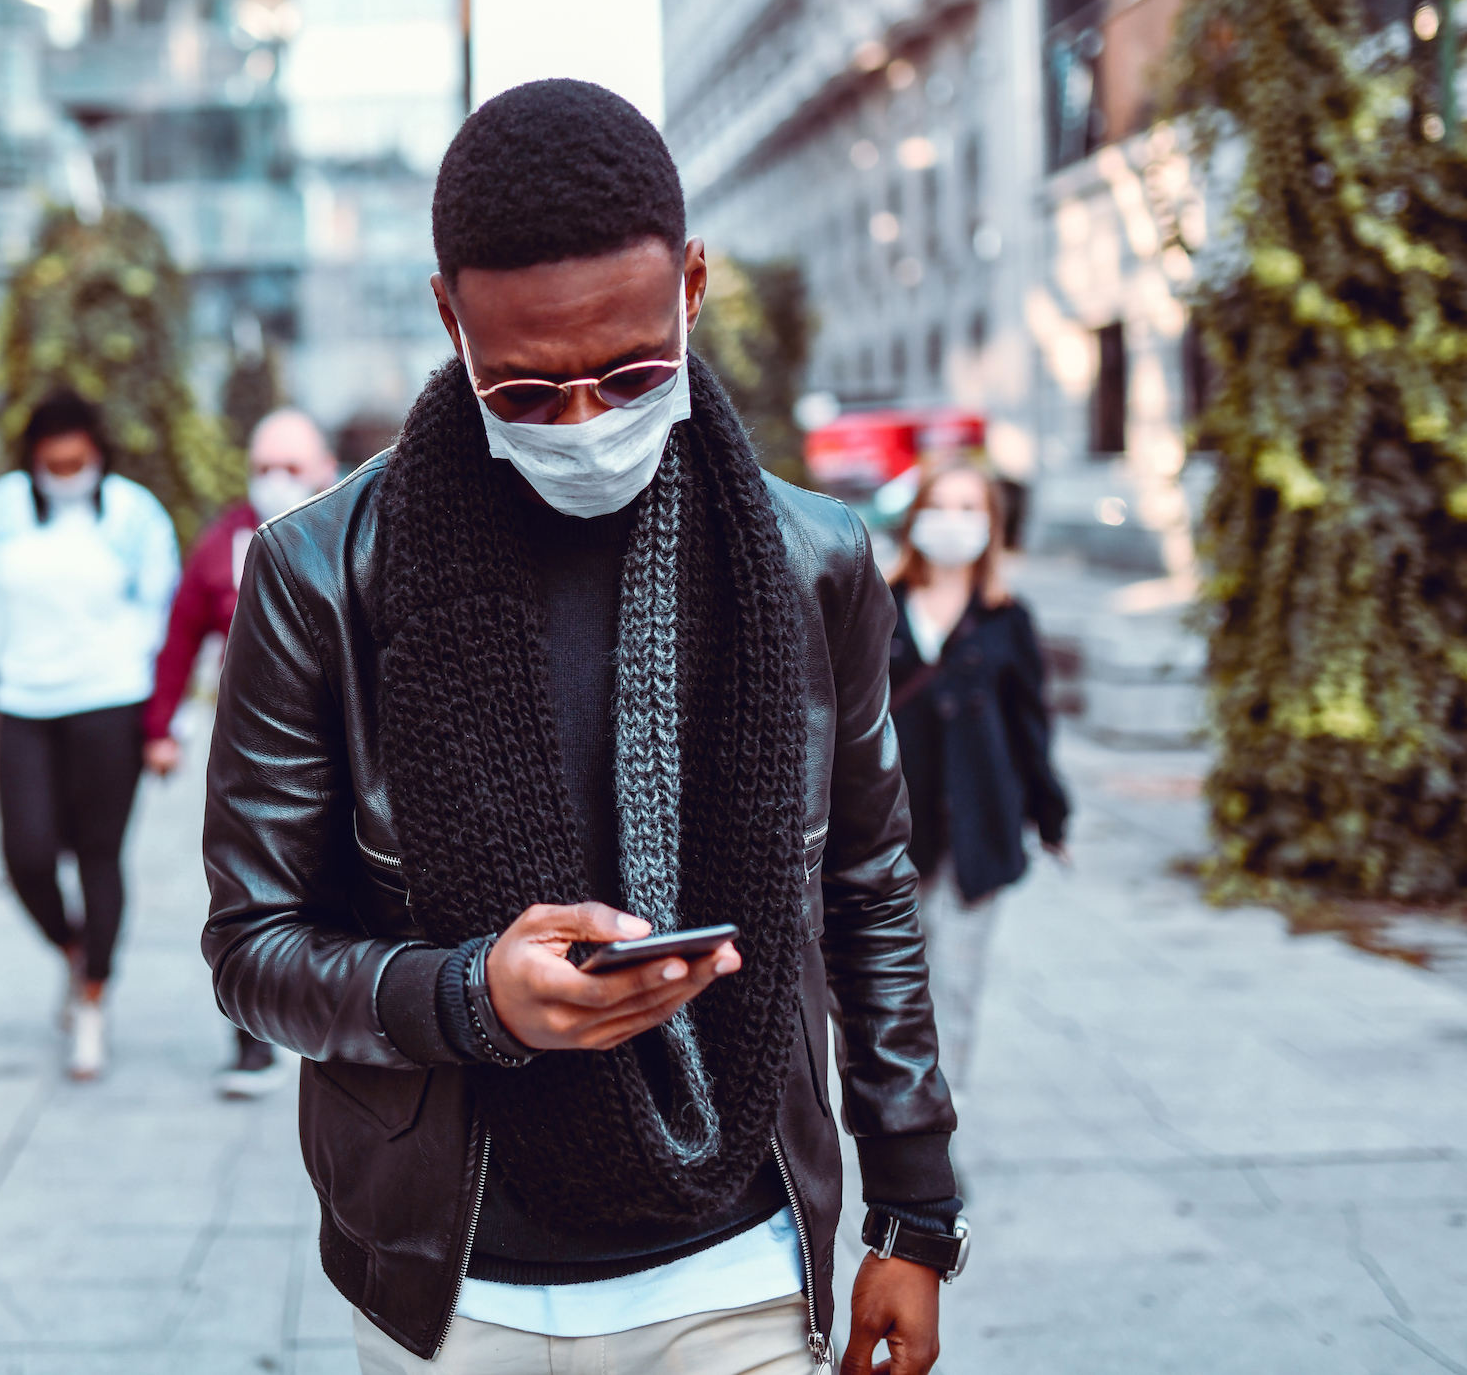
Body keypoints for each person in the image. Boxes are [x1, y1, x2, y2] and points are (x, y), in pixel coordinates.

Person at [203, 80, 963, 1375]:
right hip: (454, 1293)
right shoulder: (316, 575)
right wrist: (467, 993)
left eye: (631, 373)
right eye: (526, 390)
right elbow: (252, 947)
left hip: (741, 1260)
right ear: (449, 316)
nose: (585, 420)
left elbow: (867, 888)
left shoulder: (812, 561)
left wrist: (915, 1209)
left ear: (695, 284)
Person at [0, 391, 180, 1081]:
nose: (66, 474)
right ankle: (72, 950)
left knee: (100, 856)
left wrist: (166, 726)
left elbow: (164, 624)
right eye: (53, 463)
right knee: (27, 852)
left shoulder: (134, 514)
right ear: (34, 461)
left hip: (110, 703)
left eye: (78, 462)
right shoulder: (3, 512)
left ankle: (94, 1003)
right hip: (23, 706)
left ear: (98, 457)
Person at [145, 408, 338, 1097]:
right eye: (264, 468)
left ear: (322, 465)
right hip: (255, 739)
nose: (276, 481)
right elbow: (179, 637)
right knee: (252, 876)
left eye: (290, 466)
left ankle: (336, 1008)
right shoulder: (223, 542)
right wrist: (160, 727)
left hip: (351, 738)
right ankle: (252, 1038)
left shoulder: (363, 523)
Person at [887, 459, 1070, 1091]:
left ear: (991, 526)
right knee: (887, 992)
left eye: (970, 509)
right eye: (941, 505)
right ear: (915, 519)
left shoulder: (1007, 618)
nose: (954, 522)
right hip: (890, 839)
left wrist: (1051, 817)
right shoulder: (877, 608)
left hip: (979, 834)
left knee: (955, 989)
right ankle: (894, 1119)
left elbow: (1031, 729)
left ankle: (938, 1133)